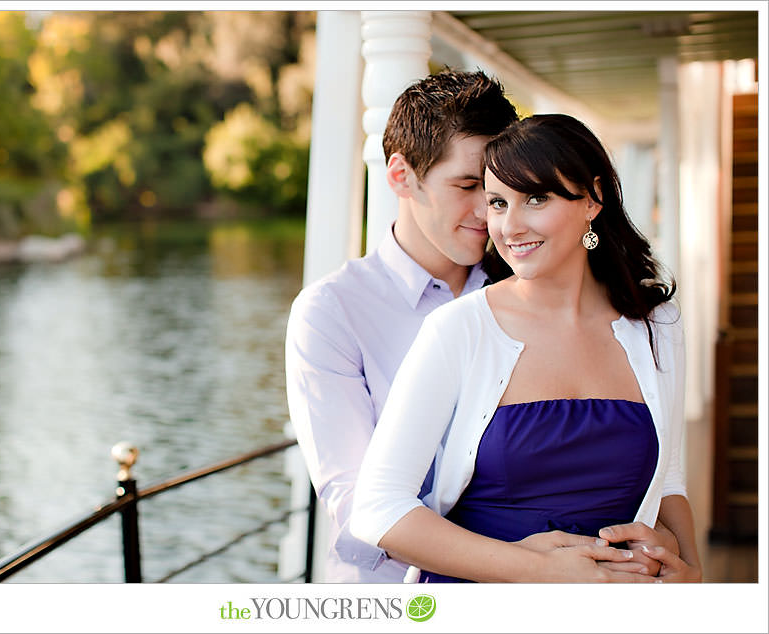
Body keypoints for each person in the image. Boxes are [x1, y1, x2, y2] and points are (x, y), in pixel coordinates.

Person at [286, 69, 679, 583]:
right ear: (402, 176)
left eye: (514, 189)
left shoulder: (544, 282)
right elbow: (364, 509)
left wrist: (663, 546)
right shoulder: (333, 312)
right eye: (472, 186)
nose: (491, 214)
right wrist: (527, 562)